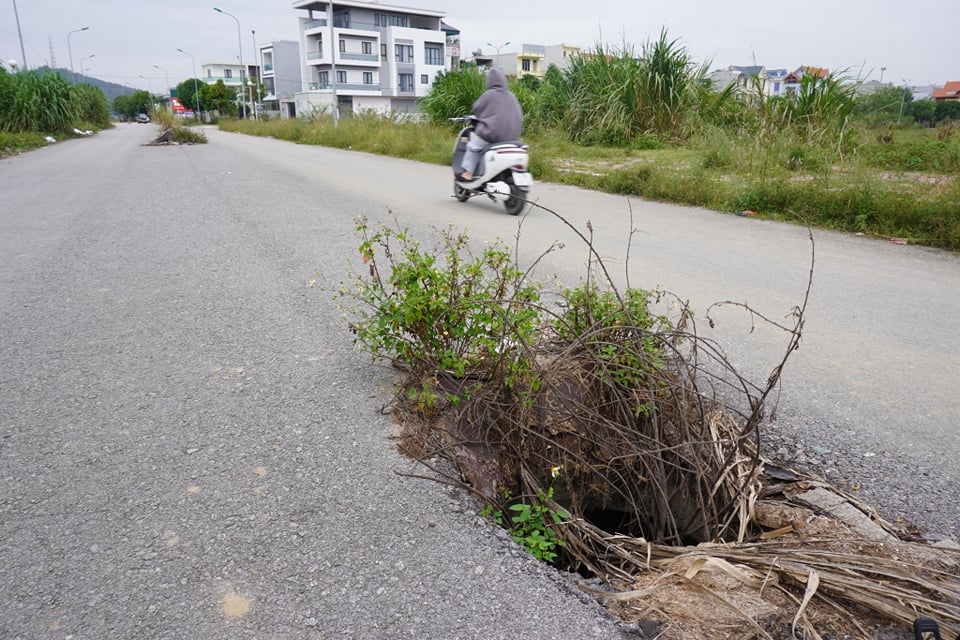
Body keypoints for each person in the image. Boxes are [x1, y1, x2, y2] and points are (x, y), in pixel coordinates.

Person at [457, 68, 523, 182]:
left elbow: (476, 108)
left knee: (473, 146)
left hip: (493, 135)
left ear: (490, 81)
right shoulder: (511, 95)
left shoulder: (489, 94)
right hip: (513, 137)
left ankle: (468, 173)